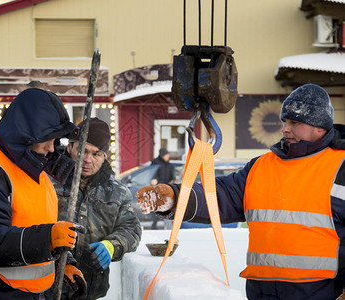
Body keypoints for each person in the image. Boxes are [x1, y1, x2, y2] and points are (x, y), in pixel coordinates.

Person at [136, 83, 345, 300]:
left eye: (294, 122)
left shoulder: (340, 167)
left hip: (320, 293)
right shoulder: (262, 166)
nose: (285, 129)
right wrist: (173, 197)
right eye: (284, 121)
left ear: (319, 126)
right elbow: (222, 195)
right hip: (262, 293)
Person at [0, 88, 88, 300]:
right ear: (26, 135)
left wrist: (63, 262)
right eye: (47, 140)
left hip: (30, 294)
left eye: (56, 140)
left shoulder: (33, 168)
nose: (52, 148)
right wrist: (48, 239)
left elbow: (33, 222)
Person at [53, 117, 142, 299]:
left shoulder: (117, 192)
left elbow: (131, 229)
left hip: (91, 288)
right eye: (82, 150)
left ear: (105, 156)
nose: (87, 159)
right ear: (70, 148)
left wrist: (111, 246)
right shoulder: (49, 183)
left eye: (96, 154)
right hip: (49, 285)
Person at [149, 148, 175, 229]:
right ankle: (154, 224)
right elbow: (151, 174)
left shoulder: (169, 165)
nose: (168, 157)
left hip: (167, 189)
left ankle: (166, 225)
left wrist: (172, 182)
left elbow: (172, 176)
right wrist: (154, 180)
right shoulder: (155, 163)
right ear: (163, 155)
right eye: (166, 155)